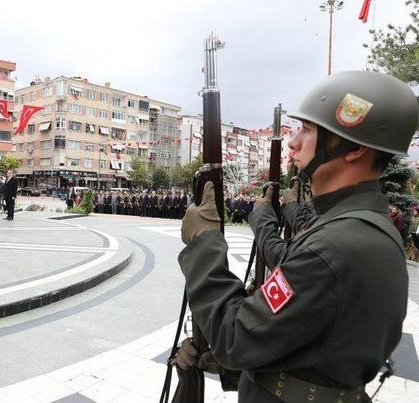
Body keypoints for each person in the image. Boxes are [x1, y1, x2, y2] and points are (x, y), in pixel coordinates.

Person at [175, 71, 417, 402]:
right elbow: (316, 347)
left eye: (307, 129)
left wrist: (205, 242)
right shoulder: (362, 227)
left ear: (355, 148)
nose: (293, 141)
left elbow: (236, 338)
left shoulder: (334, 246)